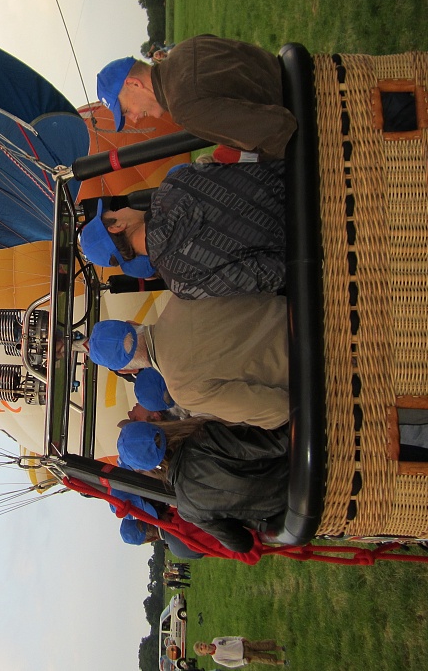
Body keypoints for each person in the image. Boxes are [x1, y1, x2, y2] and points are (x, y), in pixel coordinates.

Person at [79, 160, 285, 297]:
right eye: (114, 211)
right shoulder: (173, 184)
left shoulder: (182, 284)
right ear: (117, 227)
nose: (122, 207)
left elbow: (269, 275)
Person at [88, 294, 289, 429]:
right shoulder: (181, 296)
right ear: (131, 322)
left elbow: (278, 410)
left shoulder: (183, 390)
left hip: (304, 367)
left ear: (126, 371)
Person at [97, 34, 297, 160]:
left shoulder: (183, 106)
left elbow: (279, 132)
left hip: (303, 118)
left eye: (126, 110)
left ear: (134, 84)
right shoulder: (185, 48)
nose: (134, 118)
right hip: (295, 77)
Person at [117, 419, 289, 554]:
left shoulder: (188, 509)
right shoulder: (203, 436)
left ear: (148, 469)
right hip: (296, 473)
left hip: (288, 512)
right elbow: (278, 444)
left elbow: (242, 543)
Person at [194, 637, 288, 667]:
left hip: (244, 645)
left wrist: (239, 638)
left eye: (202, 644)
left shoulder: (216, 640)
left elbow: (229, 638)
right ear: (204, 654)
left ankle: (281, 648)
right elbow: (230, 664)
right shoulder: (216, 658)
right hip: (245, 655)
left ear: (204, 642)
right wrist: (243, 662)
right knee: (263, 658)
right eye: (201, 649)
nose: (203, 646)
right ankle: (284, 662)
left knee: (263, 645)